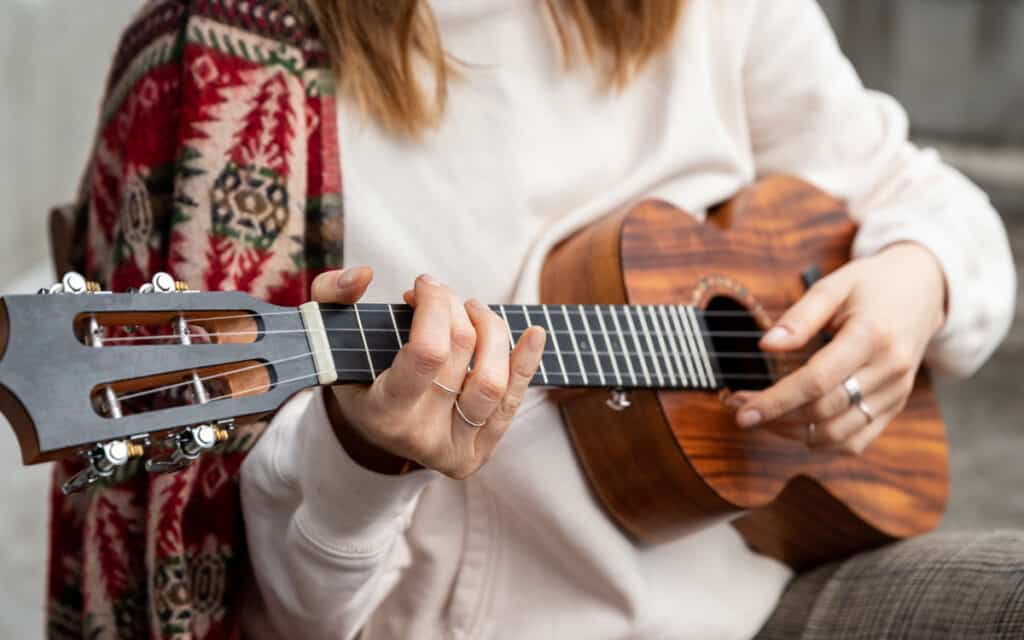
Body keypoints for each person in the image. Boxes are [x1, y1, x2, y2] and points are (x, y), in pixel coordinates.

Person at [48, 1, 1018, 639]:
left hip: (758, 604)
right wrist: (365, 459)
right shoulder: (243, 68)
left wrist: (914, 278)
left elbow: (921, 196)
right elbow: (272, 613)